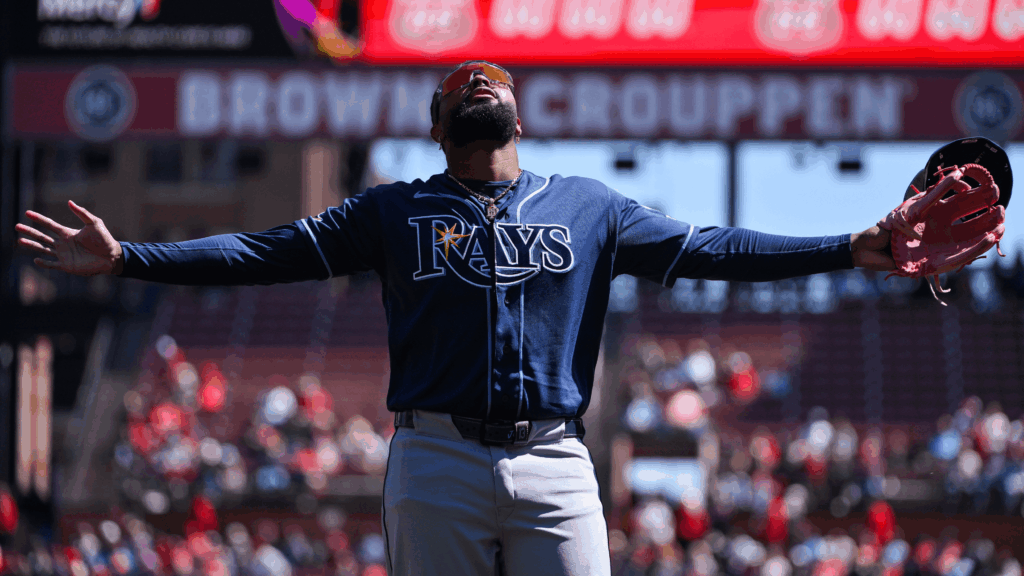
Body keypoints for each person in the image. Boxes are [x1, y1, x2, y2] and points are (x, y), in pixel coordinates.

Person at [17, 60, 895, 576]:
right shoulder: (394, 210)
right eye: (460, 88)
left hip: (554, 456)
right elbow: (263, 252)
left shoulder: (589, 206)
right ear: (442, 126)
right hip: (435, 454)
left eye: (492, 82)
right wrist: (132, 258)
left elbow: (718, 248)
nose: (478, 85)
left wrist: (851, 245)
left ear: (518, 114)